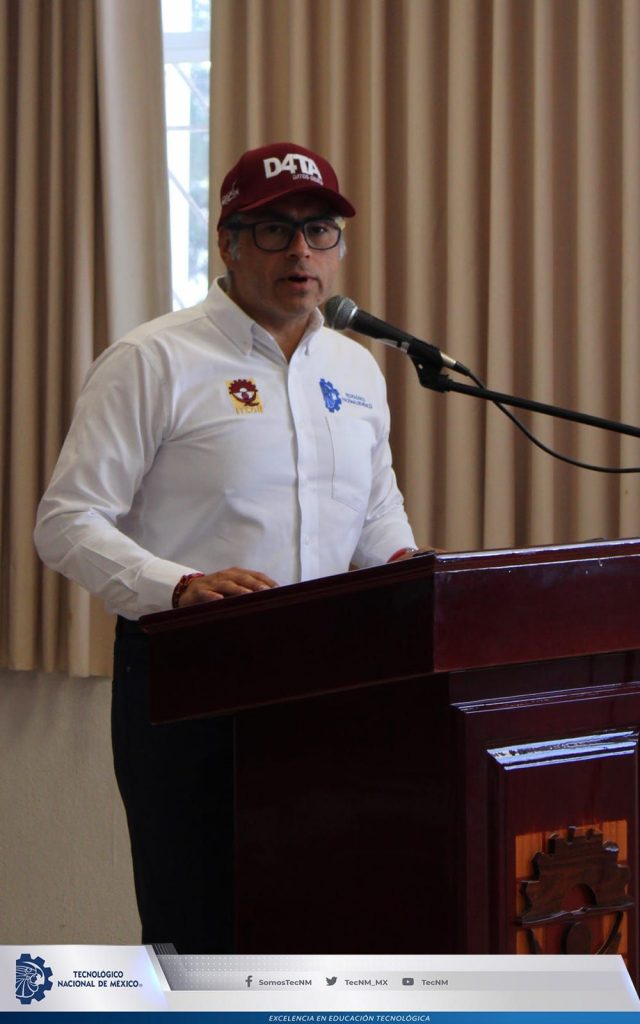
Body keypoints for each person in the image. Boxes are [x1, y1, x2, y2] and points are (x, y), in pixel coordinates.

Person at [34, 141, 426, 953]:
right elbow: (66, 521)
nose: (301, 253)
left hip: (331, 680)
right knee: (201, 932)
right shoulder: (153, 360)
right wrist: (179, 586)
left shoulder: (356, 368)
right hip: (191, 676)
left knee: (319, 920)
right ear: (229, 244)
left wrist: (407, 569)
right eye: (274, 231)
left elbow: (374, 513)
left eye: (319, 231)